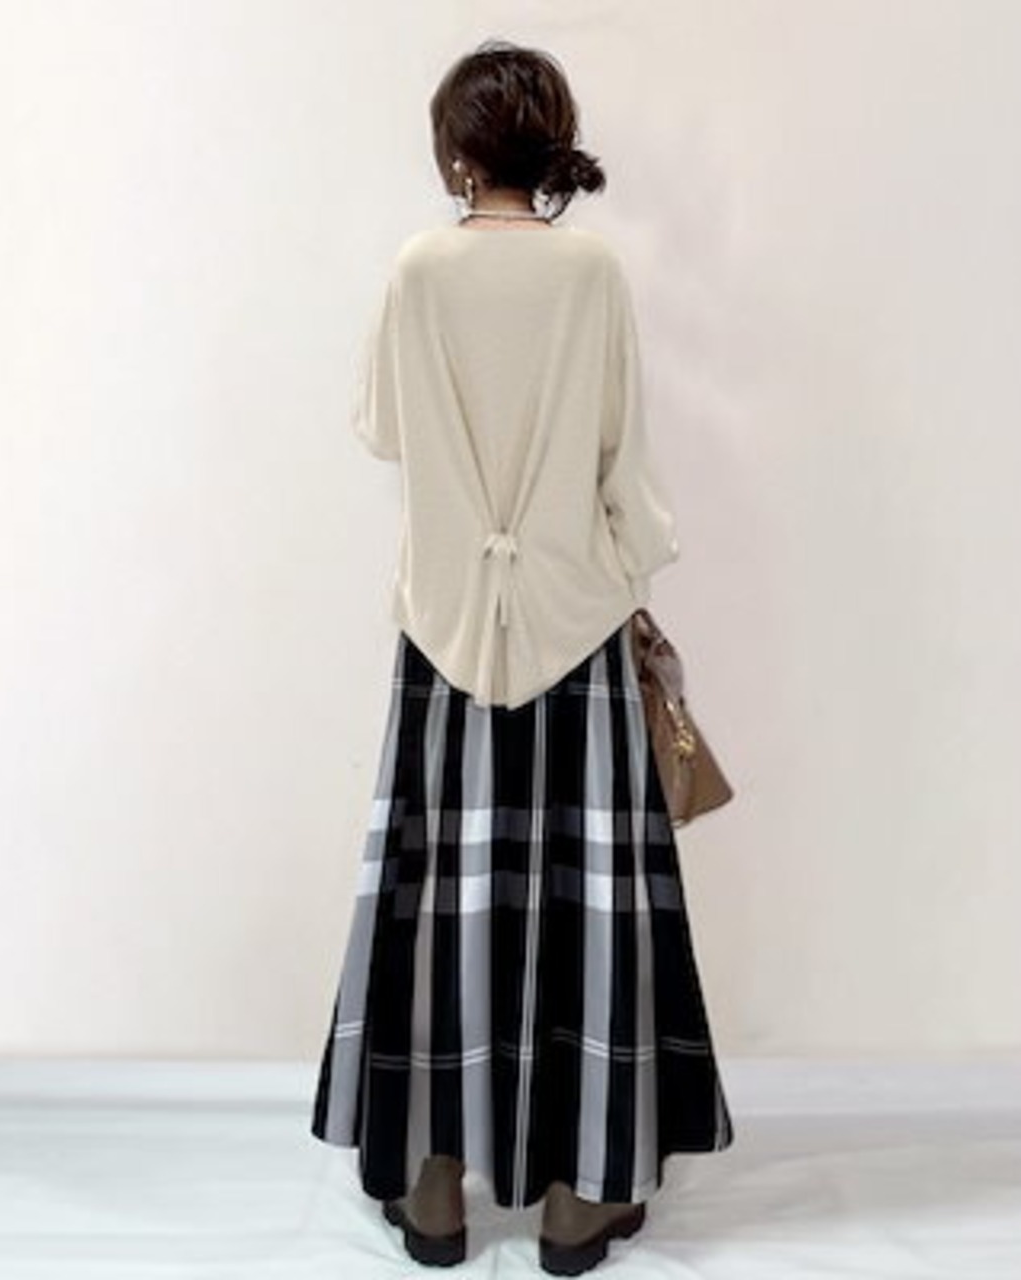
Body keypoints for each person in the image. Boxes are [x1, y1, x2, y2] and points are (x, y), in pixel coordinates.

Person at [309, 38, 734, 1275]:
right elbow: (621, 460)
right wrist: (633, 580)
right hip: (573, 622)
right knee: (584, 904)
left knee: (440, 898)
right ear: (547, 145)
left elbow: (379, 427)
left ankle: (435, 1187)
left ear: (455, 151)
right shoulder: (590, 271)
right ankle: (573, 1196)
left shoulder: (416, 268)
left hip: (445, 627)